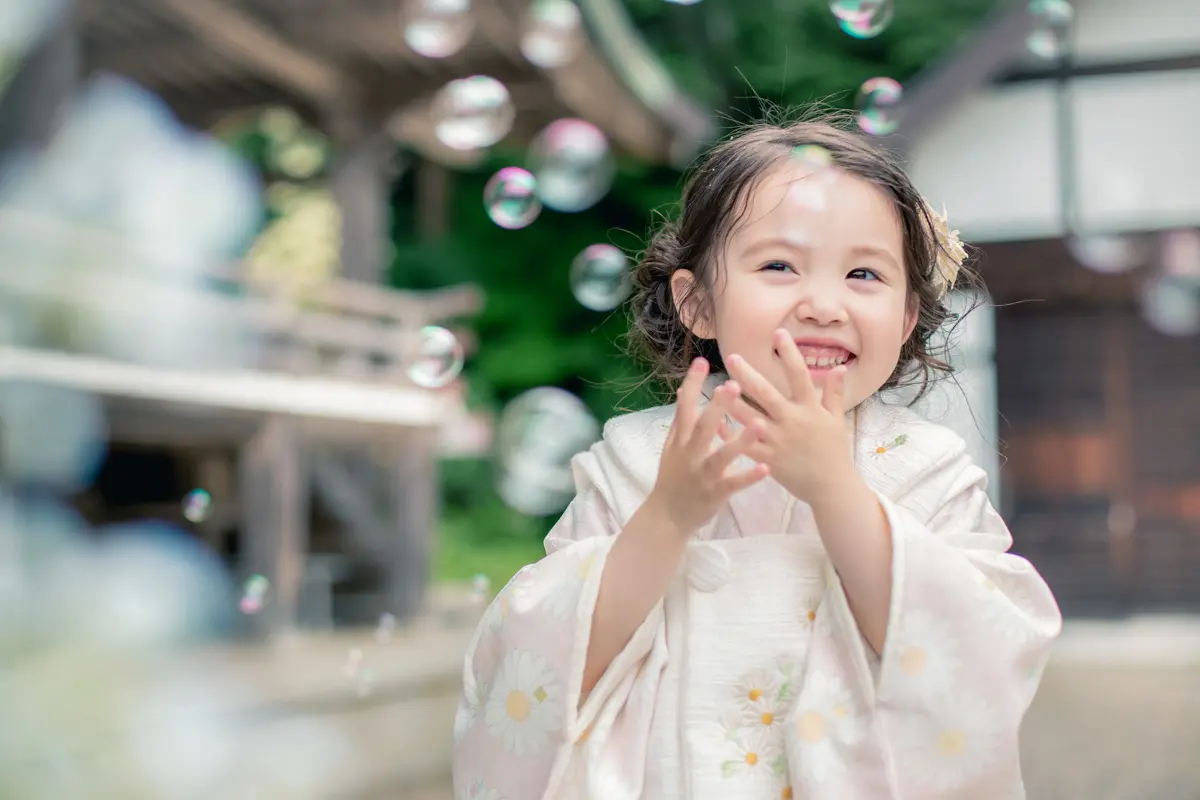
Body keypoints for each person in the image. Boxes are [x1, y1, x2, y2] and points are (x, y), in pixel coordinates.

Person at [451, 115, 1062, 799]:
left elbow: (976, 657)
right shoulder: (639, 462)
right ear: (697, 303)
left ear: (907, 317)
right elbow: (544, 666)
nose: (825, 305)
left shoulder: (926, 465)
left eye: (864, 273)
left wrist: (835, 490)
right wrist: (667, 517)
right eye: (778, 266)